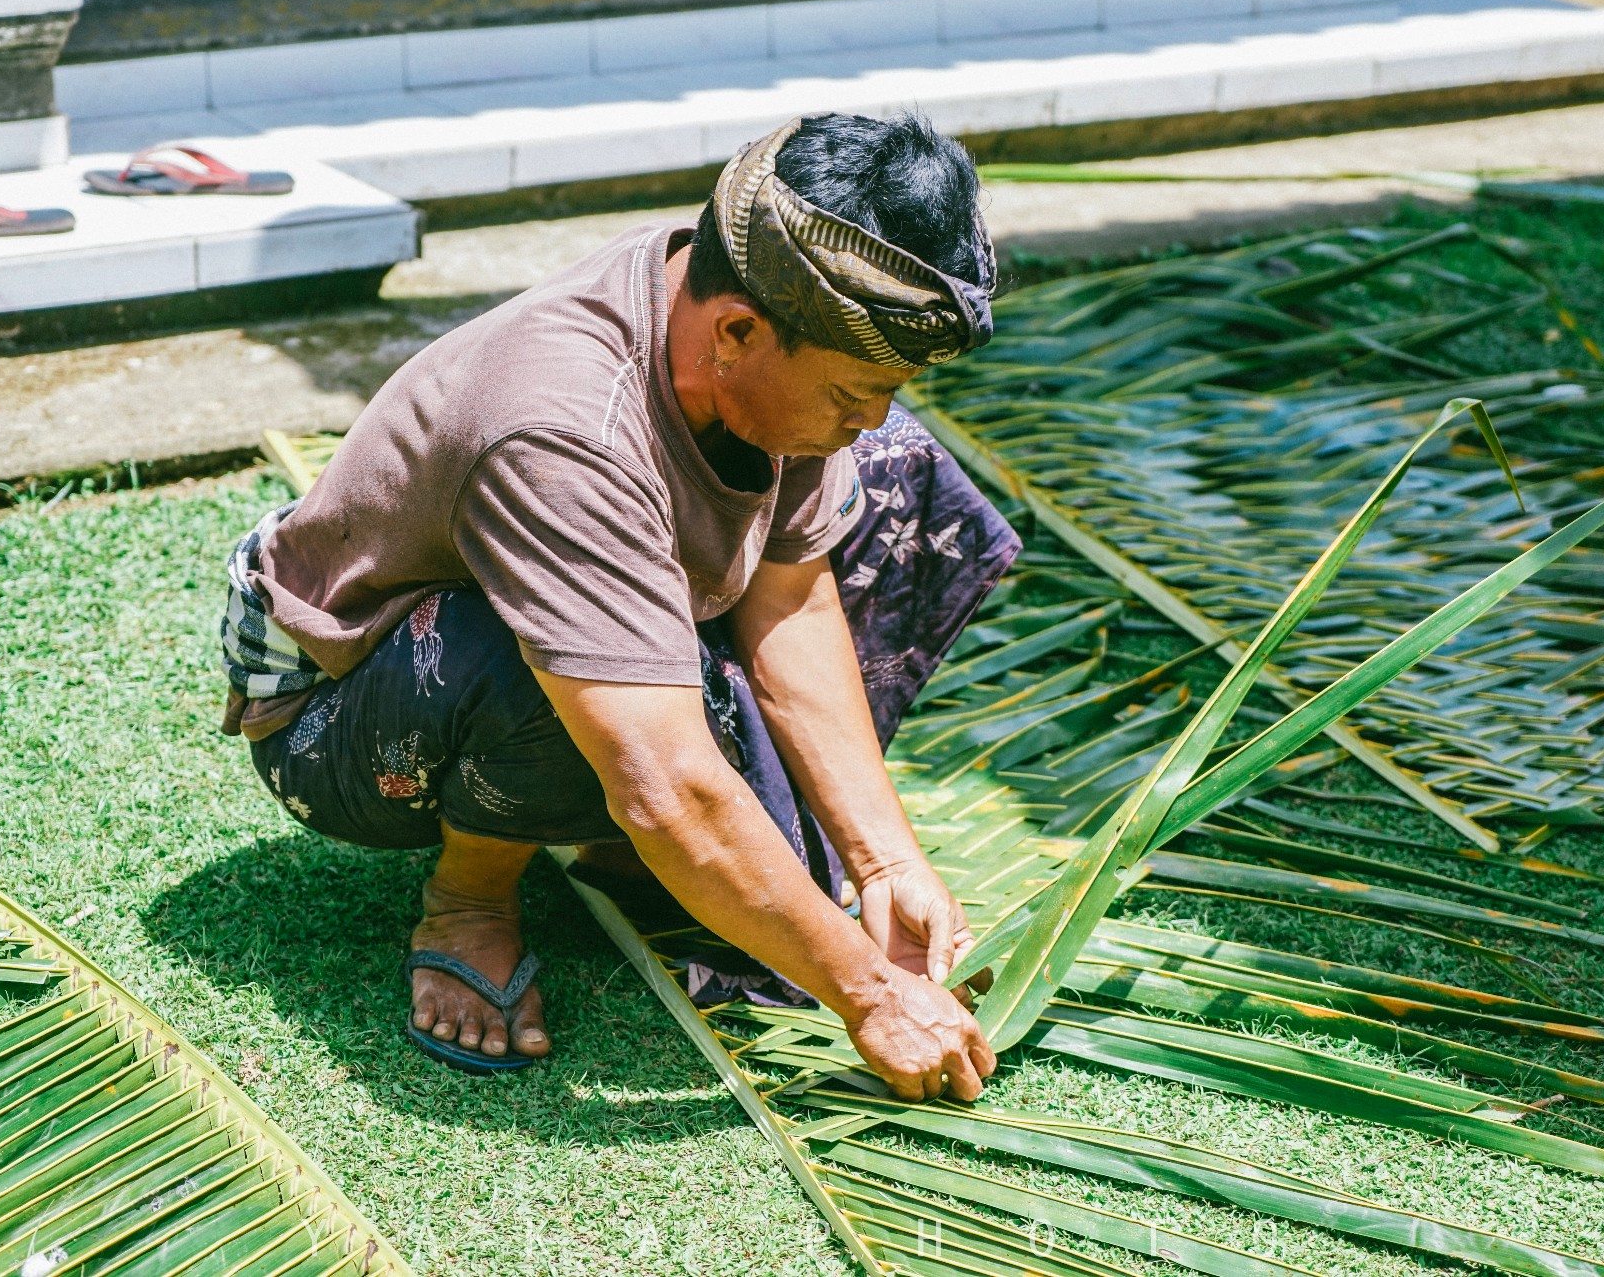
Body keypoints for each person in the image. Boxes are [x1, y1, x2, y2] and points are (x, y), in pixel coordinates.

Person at [218, 113, 1019, 1102]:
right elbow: (664, 785)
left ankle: (623, 834)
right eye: (858, 388)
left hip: (589, 602)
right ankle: (469, 894)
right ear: (734, 332)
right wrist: (869, 997)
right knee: (562, 689)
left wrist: (883, 859)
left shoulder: (759, 313)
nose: (871, 412)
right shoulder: (563, 432)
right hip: (337, 713)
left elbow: (789, 598)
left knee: (903, 475)